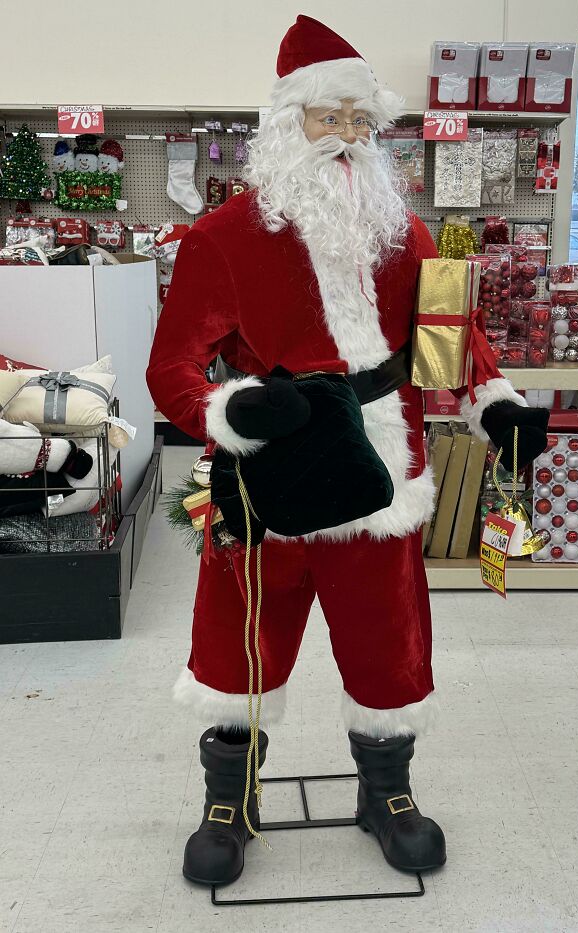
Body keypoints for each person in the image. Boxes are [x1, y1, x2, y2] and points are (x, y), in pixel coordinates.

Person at [147, 14, 548, 887]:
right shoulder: (220, 240)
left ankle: (388, 794)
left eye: (361, 122)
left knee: (388, 643)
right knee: (238, 642)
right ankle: (227, 800)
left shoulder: (401, 233)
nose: (348, 139)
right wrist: (233, 408)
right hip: (268, 478)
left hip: (384, 475)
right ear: (287, 122)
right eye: (331, 118)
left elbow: (453, 335)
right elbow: (171, 366)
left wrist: (496, 404)